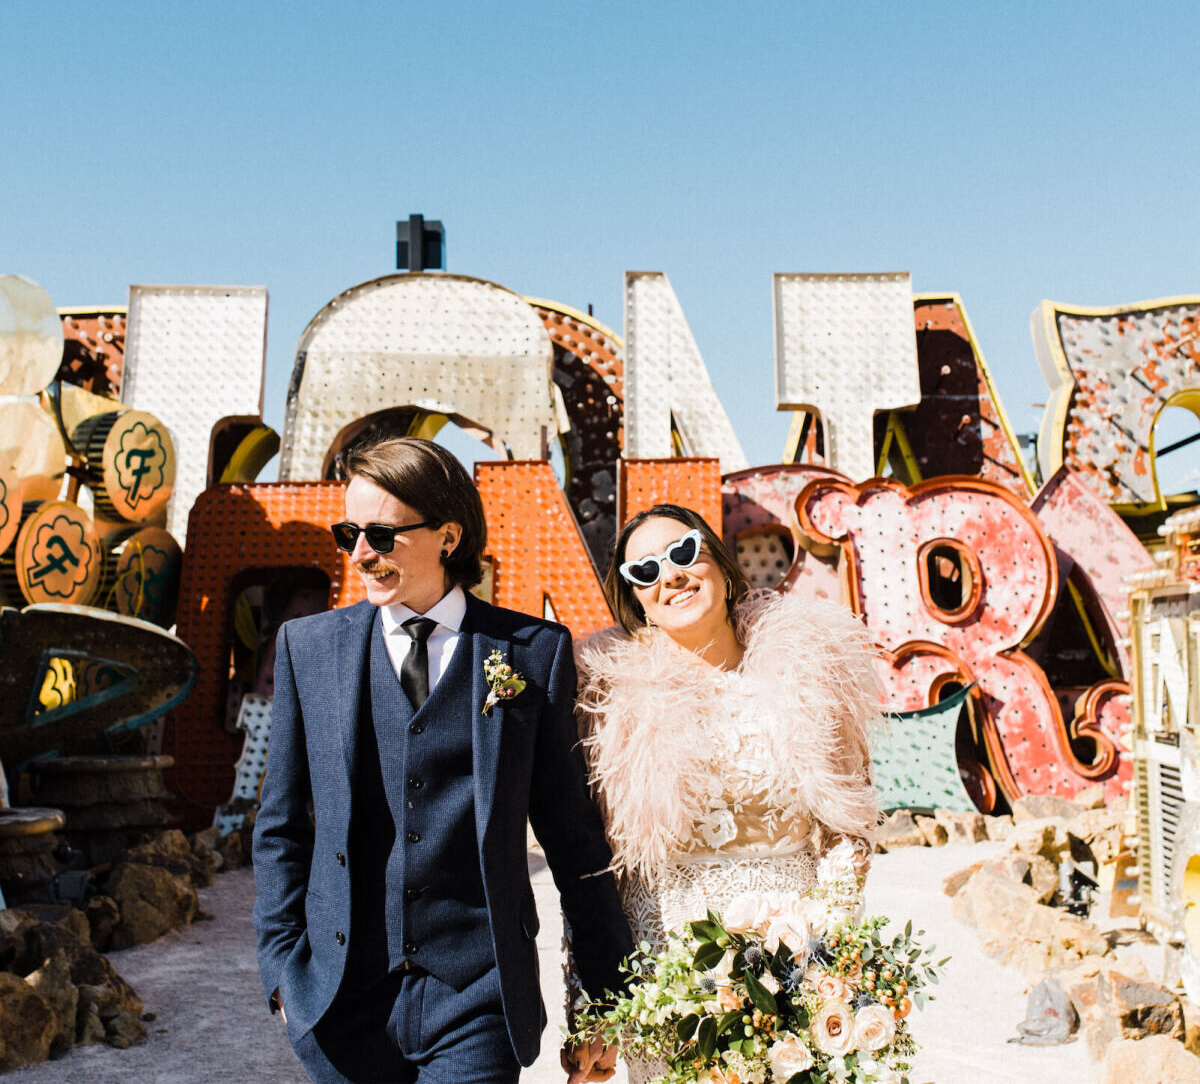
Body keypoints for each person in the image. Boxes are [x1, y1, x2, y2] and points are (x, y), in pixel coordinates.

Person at [253, 437, 632, 1084]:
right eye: (350, 532)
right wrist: (284, 975)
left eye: (382, 534)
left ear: (448, 536)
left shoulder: (533, 653)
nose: (360, 553)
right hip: (343, 1003)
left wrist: (605, 997)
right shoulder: (308, 649)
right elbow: (280, 827)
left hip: (476, 999)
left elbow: (573, 840)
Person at [574, 504, 881, 1084]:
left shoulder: (809, 673)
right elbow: (591, 863)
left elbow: (850, 825)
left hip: (796, 953)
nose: (671, 576)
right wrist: (593, 1005)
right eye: (645, 571)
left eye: (684, 553)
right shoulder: (609, 699)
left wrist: (822, 946)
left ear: (717, 558)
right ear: (633, 597)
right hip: (665, 967)